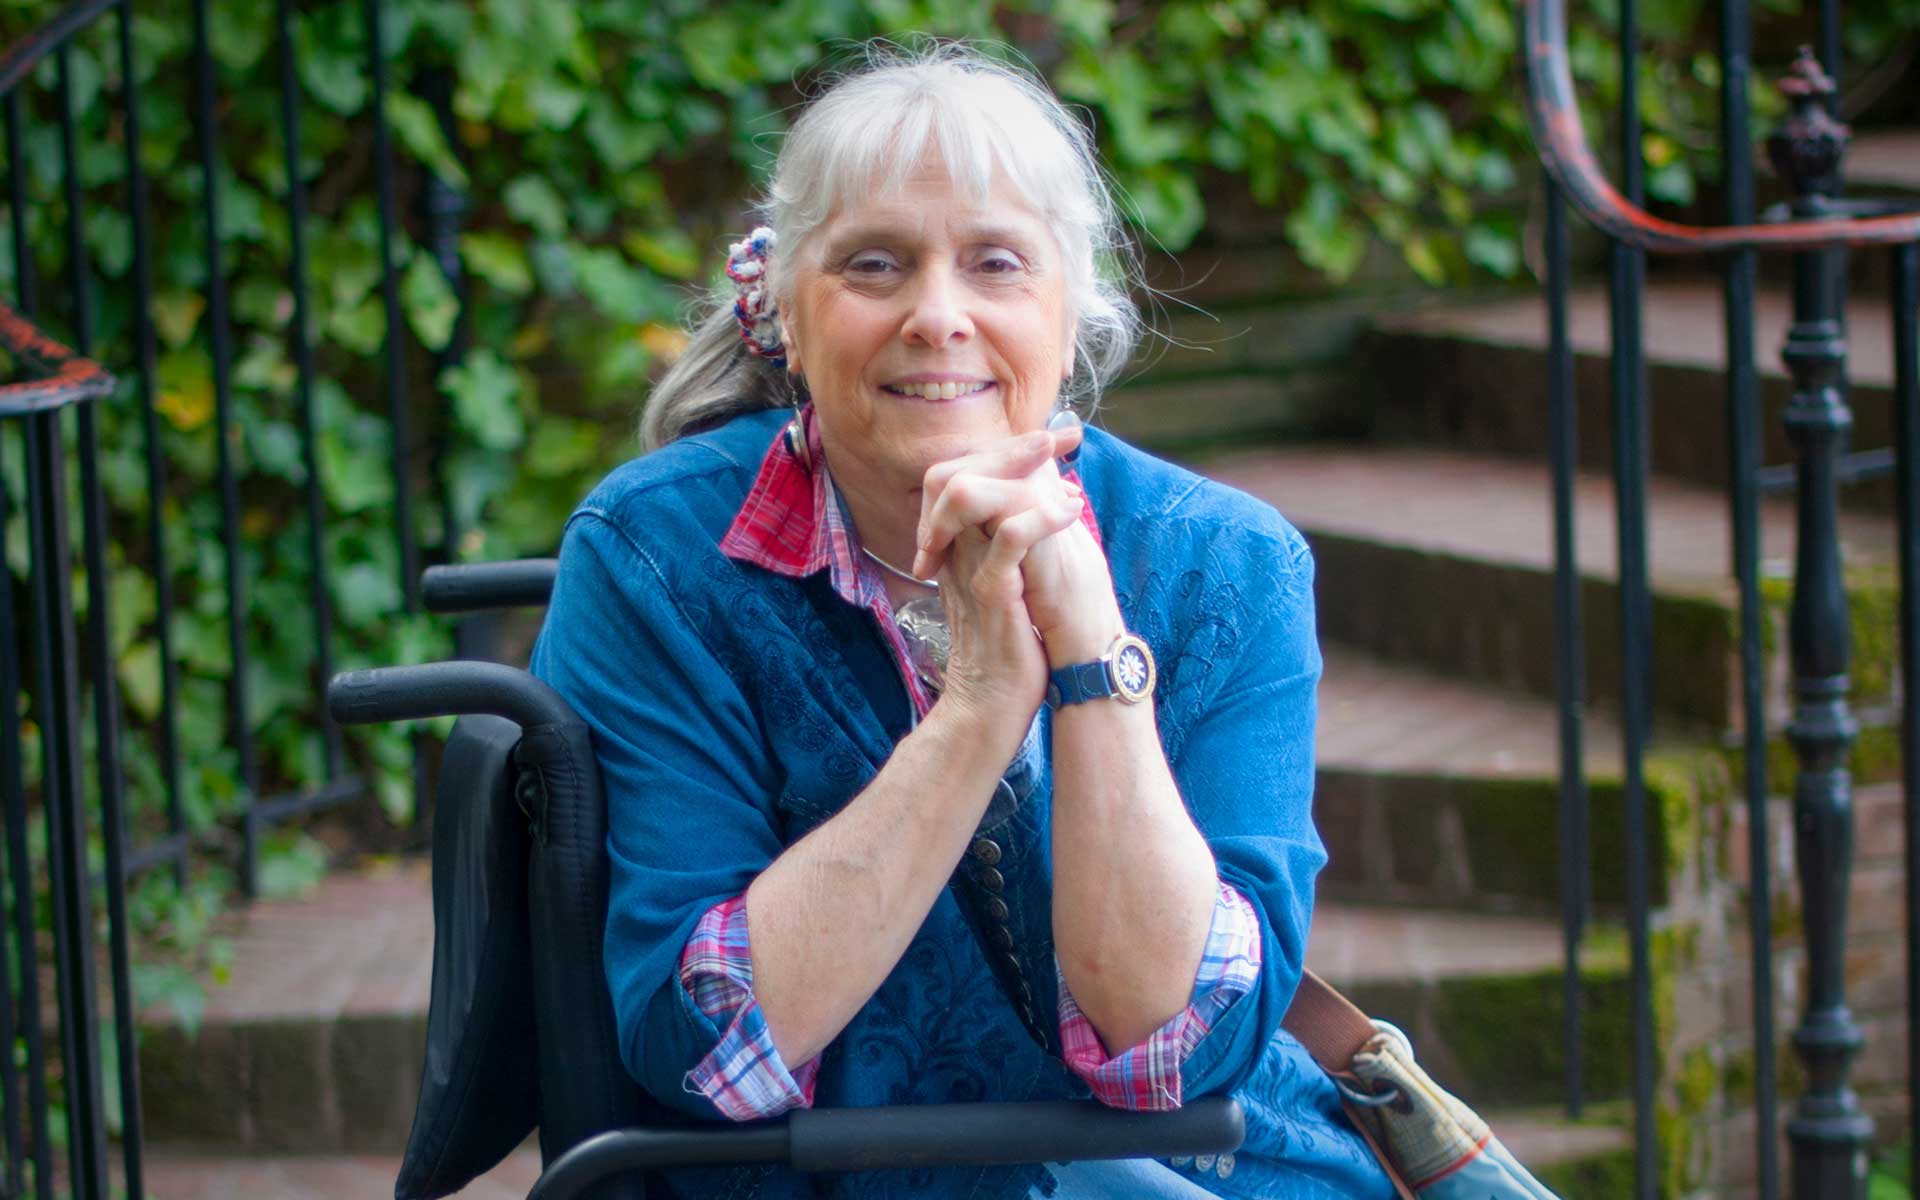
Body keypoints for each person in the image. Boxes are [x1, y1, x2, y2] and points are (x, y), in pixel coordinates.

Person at [530, 41, 1395, 1200]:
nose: (938, 316)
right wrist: (980, 708)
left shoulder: (1229, 564)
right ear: (784, 309)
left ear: (1070, 311)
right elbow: (707, 1049)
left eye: (996, 263)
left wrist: (1089, 649)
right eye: (874, 264)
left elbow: (1180, 1058)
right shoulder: (655, 556)